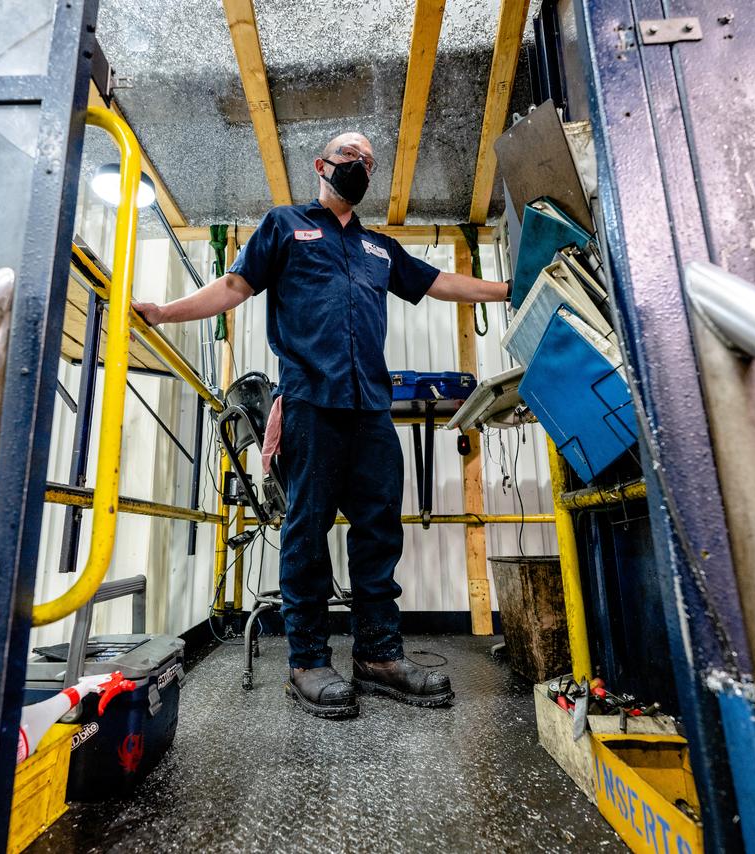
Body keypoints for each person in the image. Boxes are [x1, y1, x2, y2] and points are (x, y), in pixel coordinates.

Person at [133, 132, 509, 718]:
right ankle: (308, 661)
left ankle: (378, 655)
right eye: (349, 156)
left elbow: (439, 284)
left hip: (371, 410)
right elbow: (233, 287)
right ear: (321, 164)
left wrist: (508, 288)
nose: (359, 166)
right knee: (307, 532)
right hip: (310, 402)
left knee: (380, 530)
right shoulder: (284, 225)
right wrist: (163, 312)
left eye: (367, 161)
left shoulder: (379, 249)